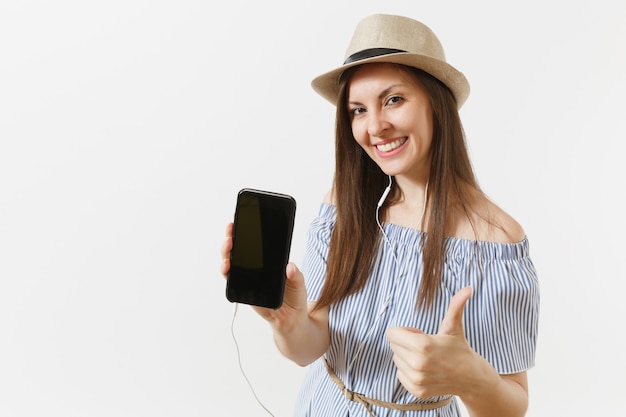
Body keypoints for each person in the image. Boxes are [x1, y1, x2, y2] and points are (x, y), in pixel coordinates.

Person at [220, 13, 539, 417]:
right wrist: (287, 321)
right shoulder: (343, 207)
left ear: (436, 103)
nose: (375, 127)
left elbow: (513, 405)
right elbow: (308, 349)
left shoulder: (494, 242)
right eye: (357, 110)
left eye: (393, 100)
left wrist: (472, 378)